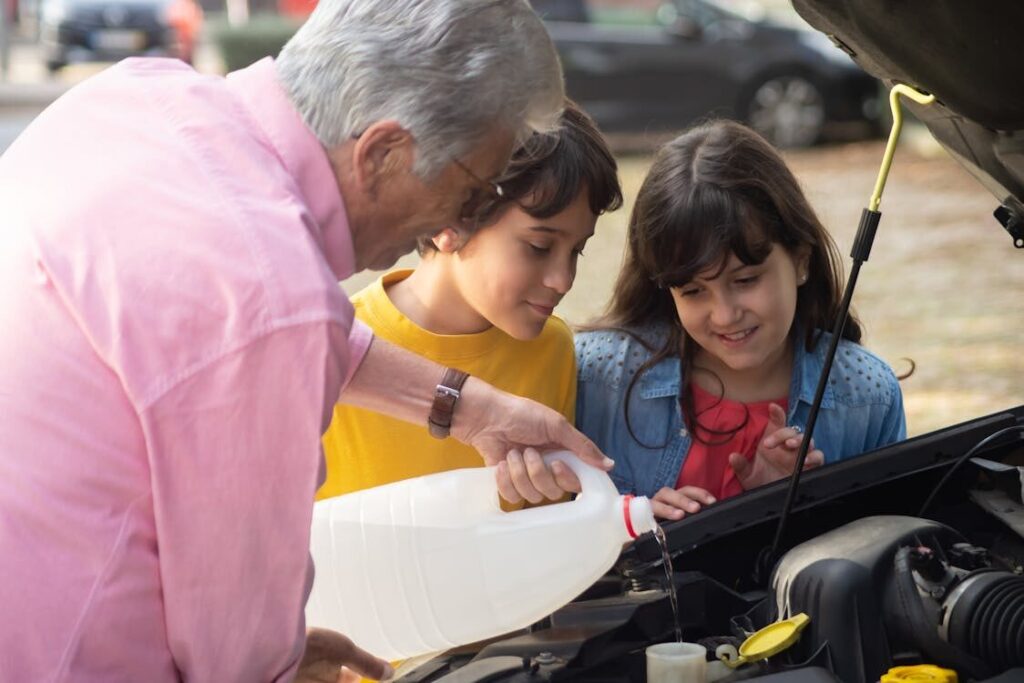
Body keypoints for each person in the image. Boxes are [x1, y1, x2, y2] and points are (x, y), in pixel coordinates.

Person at [0, 1, 615, 681]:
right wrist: (281, 661)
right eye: (473, 191)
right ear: (384, 152)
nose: (457, 219)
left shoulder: (142, 94)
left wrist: (472, 408)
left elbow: (250, 328)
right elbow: (235, 653)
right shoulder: (271, 291)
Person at [575, 120, 907, 521]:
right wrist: (626, 525)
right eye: (693, 291)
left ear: (801, 260)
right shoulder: (592, 375)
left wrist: (779, 510)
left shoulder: (869, 397)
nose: (725, 314)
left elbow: (884, 551)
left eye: (746, 279)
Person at [318, 100, 622, 508]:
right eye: (539, 246)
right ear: (449, 219)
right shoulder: (330, 346)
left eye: (577, 251)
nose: (563, 280)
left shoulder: (553, 348)